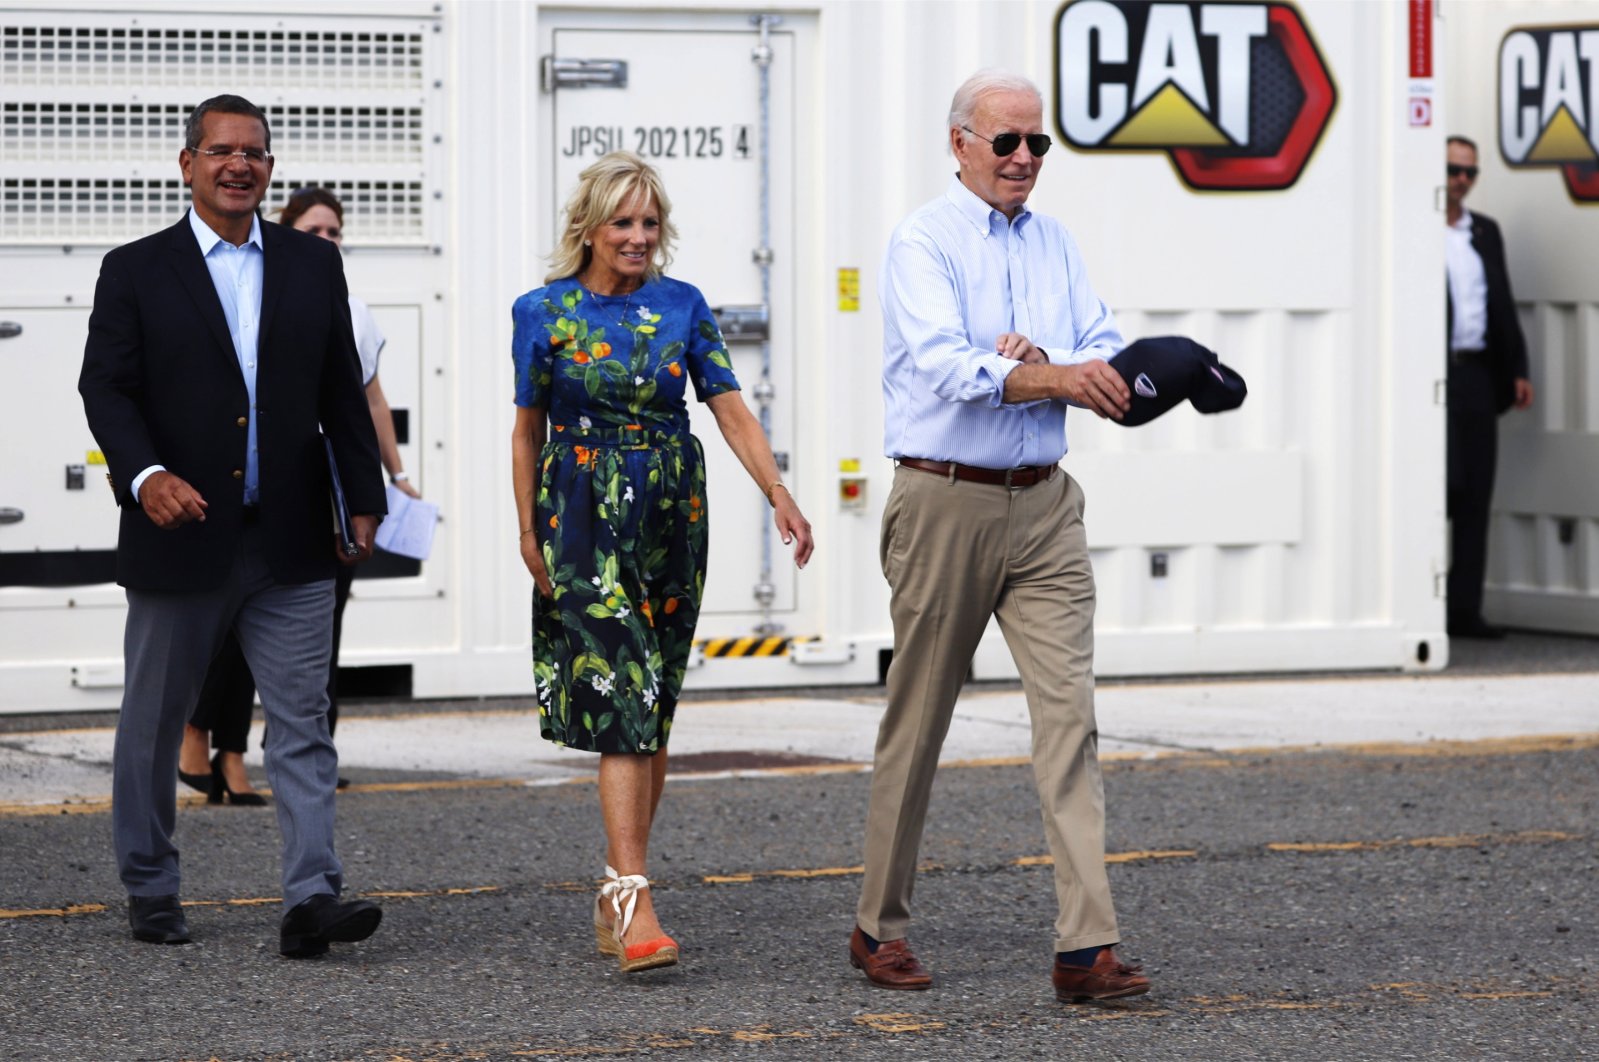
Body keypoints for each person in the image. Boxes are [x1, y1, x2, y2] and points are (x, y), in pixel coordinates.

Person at [850, 69, 1149, 1003]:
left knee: (1070, 721)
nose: (1024, 159)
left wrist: (1047, 363)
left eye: (1037, 144)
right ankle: (876, 928)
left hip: (1045, 502)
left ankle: (1084, 949)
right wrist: (1037, 372)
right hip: (947, 500)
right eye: (1005, 142)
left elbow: (1096, 342)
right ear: (959, 144)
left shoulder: (1055, 241)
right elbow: (944, 366)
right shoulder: (922, 241)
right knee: (920, 719)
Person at [78, 94, 388, 957]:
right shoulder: (135, 268)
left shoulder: (310, 265)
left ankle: (311, 899)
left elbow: (340, 391)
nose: (238, 165)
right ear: (188, 164)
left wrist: (363, 495)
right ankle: (151, 885)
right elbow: (106, 389)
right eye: (220, 151)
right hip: (181, 534)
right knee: (153, 724)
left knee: (302, 721)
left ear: (269, 168)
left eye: (253, 152)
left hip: (289, 537)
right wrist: (144, 478)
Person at [510, 151, 813, 974]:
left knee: (657, 699)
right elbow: (527, 428)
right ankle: (635, 897)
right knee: (624, 690)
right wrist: (529, 530)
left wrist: (778, 492)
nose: (639, 236)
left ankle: (616, 880)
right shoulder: (543, 312)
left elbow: (729, 409)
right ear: (590, 229)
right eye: (624, 223)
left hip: (671, 512)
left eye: (649, 223)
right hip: (580, 514)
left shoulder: (682, 307)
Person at [179, 187, 421, 797]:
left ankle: (309, 754)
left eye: (336, 232)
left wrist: (392, 476)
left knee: (320, 632)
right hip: (258, 482)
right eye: (315, 230)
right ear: (283, 231)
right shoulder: (261, 293)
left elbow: (366, 399)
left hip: (327, 490)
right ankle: (217, 747)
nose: (328, 241)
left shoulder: (355, 309)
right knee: (236, 630)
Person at [1444, 135, 1533, 639]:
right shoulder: (1413, 228)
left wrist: (1518, 367)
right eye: (1453, 170)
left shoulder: (1484, 232)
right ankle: (1422, 601)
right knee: (1443, 487)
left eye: (1469, 173)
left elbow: (1502, 301)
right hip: (1433, 377)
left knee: (1477, 492)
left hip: (1476, 372)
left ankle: (1464, 610)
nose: (1461, 180)